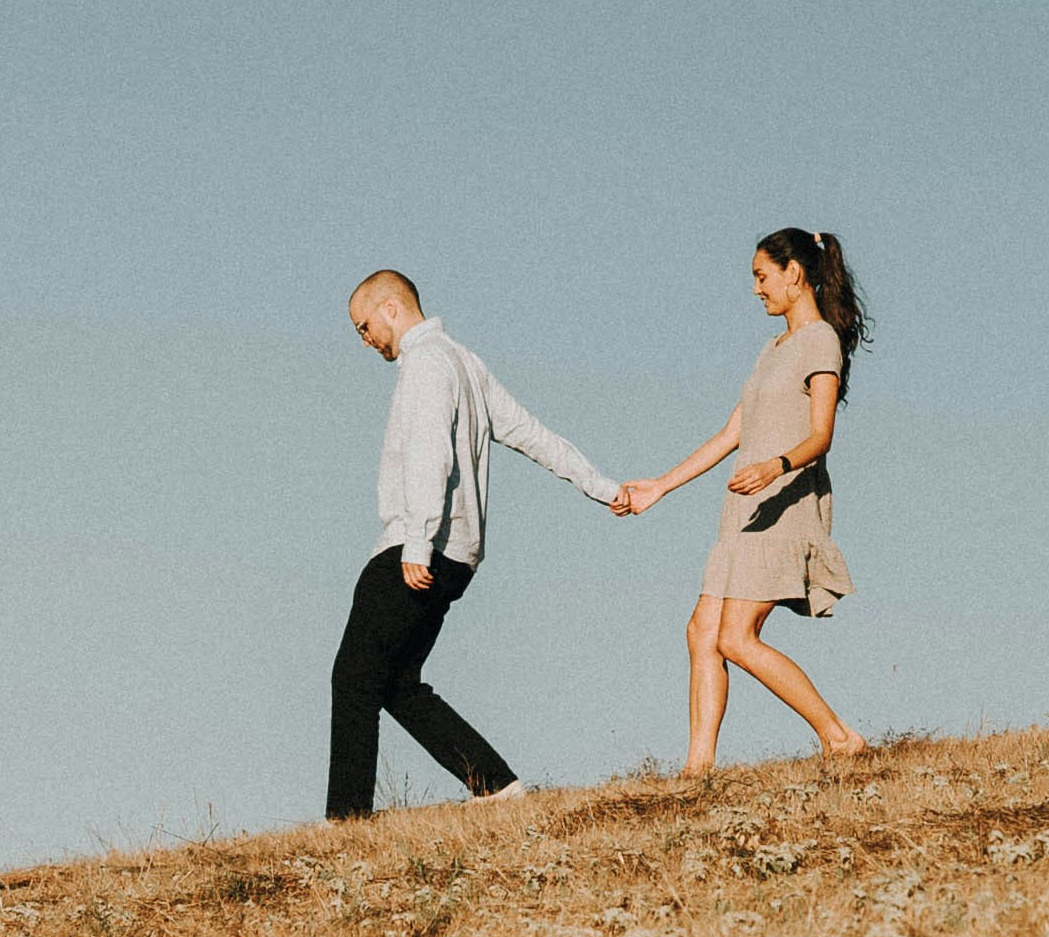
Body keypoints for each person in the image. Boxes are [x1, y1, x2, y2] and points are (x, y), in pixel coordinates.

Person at [330, 269, 625, 819]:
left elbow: (429, 453)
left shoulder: (426, 364)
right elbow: (532, 434)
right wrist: (602, 486)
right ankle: (497, 785)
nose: (364, 339)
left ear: (391, 308)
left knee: (352, 678)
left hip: (415, 550)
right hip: (457, 557)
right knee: (396, 683)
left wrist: (416, 542)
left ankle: (346, 822)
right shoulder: (465, 362)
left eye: (364, 326)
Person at [611, 228, 870, 772]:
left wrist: (774, 466)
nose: (756, 289)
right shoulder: (771, 349)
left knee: (735, 637)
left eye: (761, 276)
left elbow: (821, 435)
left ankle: (839, 736)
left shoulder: (820, 341)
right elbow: (732, 433)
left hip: (785, 503)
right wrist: (659, 486)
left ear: (794, 274)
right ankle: (697, 769)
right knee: (702, 631)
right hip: (745, 512)